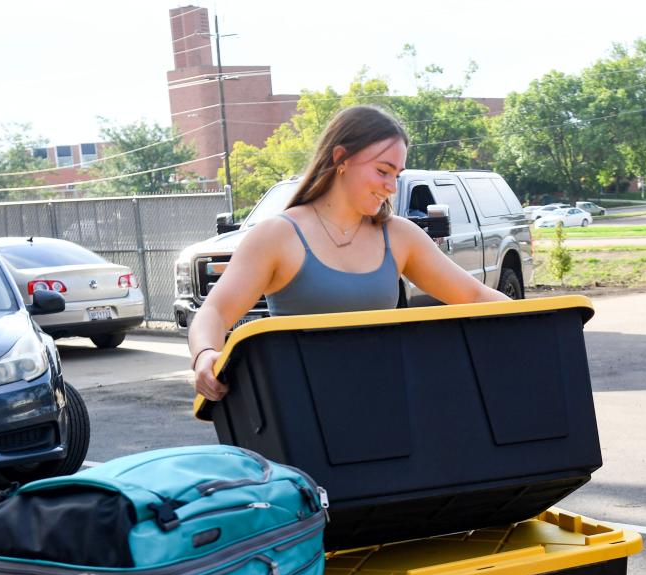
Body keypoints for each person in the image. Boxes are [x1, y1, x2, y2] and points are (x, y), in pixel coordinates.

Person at [190, 105, 508, 402]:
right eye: (383, 171)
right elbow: (215, 312)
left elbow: (475, 295)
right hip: (303, 411)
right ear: (341, 158)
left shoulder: (400, 236)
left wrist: (550, 325)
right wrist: (205, 355)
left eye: (396, 175)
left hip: (387, 405)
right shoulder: (277, 236)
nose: (392, 187)